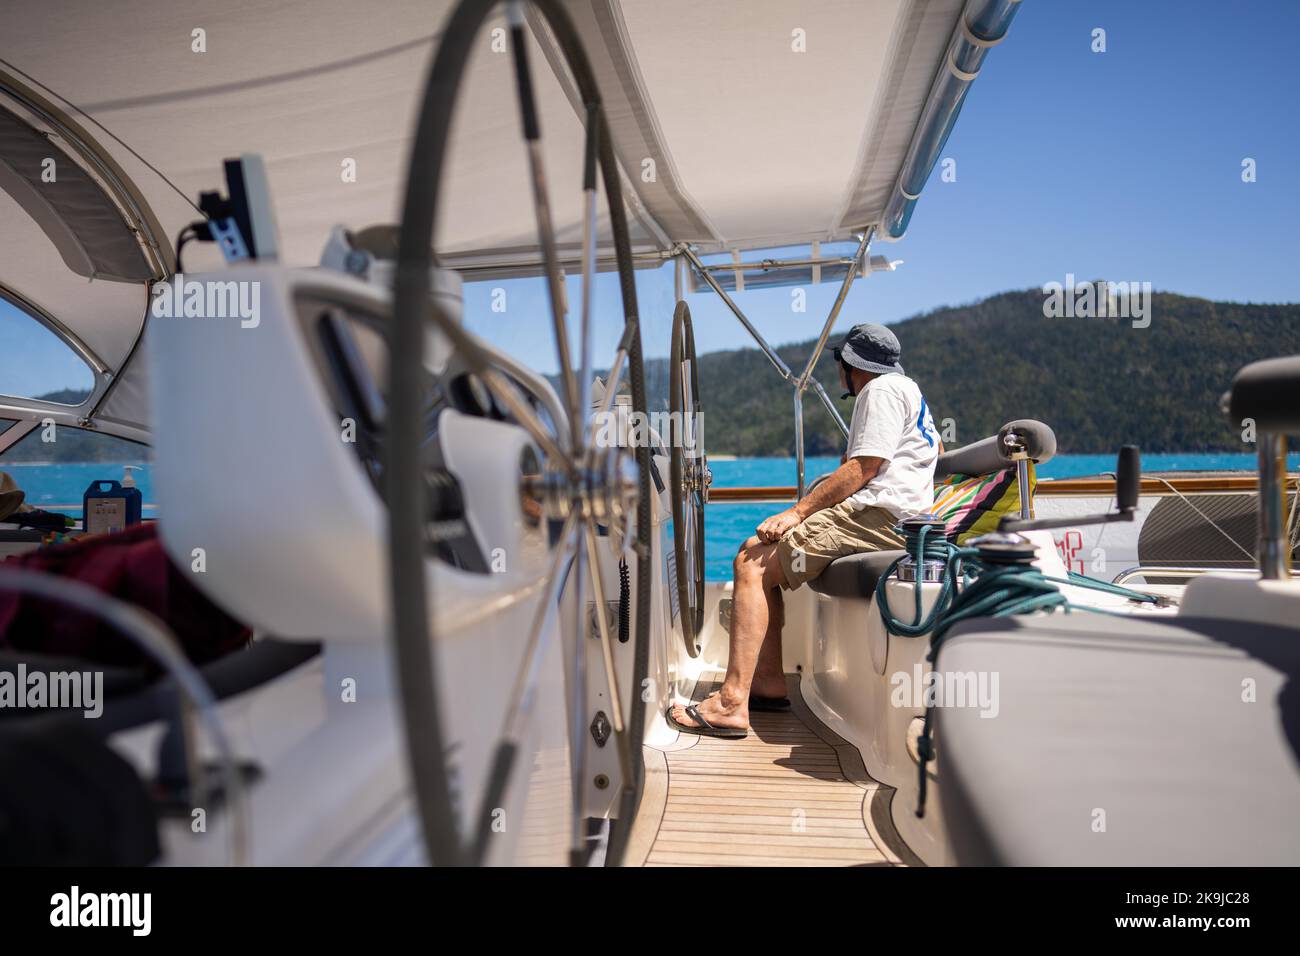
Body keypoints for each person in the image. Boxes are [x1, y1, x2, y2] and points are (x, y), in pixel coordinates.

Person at [668, 323, 940, 737]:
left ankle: (729, 704)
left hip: (879, 518)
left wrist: (797, 512)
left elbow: (863, 469)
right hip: (900, 520)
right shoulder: (909, 391)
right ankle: (768, 684)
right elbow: (934, 450)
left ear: (849, 365)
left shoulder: (879, 391)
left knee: (751, 563)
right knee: (757, 554)